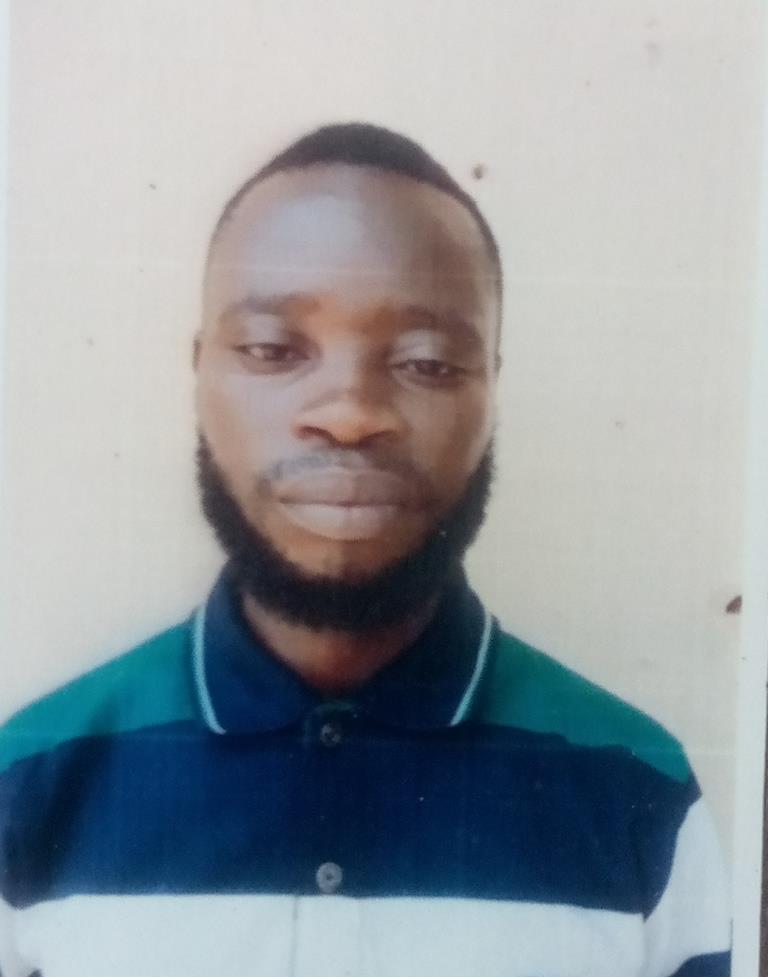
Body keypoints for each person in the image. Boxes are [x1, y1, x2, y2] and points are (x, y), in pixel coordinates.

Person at [0, 123, 730, 977]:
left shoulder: (638, 791)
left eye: (427, 362)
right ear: (200, 373)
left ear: (492, 388)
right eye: (273, 350)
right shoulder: (31, 780)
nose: (349, 413)